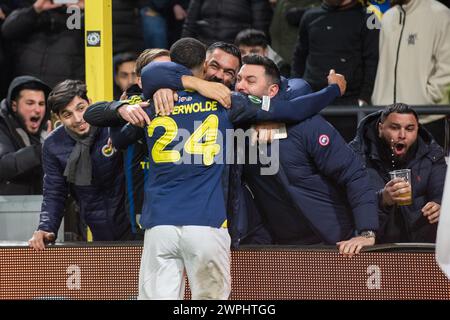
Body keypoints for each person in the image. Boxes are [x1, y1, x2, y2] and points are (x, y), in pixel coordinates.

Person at [84, 37, 346, 299]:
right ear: (203, 66)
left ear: (174, 66)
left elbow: (110, 132)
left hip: (159, 227)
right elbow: (293, 108)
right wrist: (333, 90)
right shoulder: (230, 102)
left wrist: (124, 110)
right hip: (207, 223)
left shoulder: (155, 105)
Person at [28, 80, 131, 251]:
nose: (78, 119)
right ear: (58, 118)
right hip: (97, 231)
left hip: (135, 226)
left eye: (81, 108)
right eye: (67, 114)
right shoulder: (53, 144)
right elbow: (55, 191)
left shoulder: (113, 126)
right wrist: (46, 227)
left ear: (90, 102)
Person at [350, 103, 447, 243]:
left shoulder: (432, 153)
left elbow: (442, 193)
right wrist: (383, 199)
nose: (402, 135)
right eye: (394, 128)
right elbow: (351, 204)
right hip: (375, 245)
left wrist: (439, 206)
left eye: (409, 129)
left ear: (417, 129)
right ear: (380, 128)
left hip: (421, 244)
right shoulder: (356, 155)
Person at [371, 0, 450, 147]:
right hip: (387, 121)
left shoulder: (441, 15)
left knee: (426, 170)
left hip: (426, 120)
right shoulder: (388, 17)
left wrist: (425, 100)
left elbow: (447, 70)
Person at [1, 0, 85, 88]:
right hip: (28, 88)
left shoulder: (79, 15)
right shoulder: (32, 9)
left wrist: (88, 10)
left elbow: (95, 37)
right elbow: (8, 31)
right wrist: (35, 10)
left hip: (65, 92)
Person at [0, 76, 51, 195]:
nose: (37, 109)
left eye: (41, 103)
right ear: (14, 106)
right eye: (30, 103)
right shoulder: (2, 125)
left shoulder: (49, 129)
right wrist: (42, 150)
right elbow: (3, 166)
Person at [181, 0, 273, 46]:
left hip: (236, 49)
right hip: (204, 47)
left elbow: (260, 25)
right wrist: (183, 47)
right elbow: (190, 23)